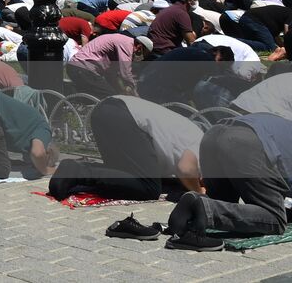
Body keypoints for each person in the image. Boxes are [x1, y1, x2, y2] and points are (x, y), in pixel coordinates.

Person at [160, 113, 292, 250]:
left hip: (213, 135)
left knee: (223, 204)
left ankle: (192, 208)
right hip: (246, 143)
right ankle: (203, 208)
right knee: (275, 218)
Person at [49, 95, 202, 202]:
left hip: (107, 110)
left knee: (124, 177)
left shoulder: (194, 136)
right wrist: (198, 192)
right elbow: (186, 169)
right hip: (122, 116)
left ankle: (77, 175)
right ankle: (79, 171)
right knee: (149, 188)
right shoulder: (201, 142)